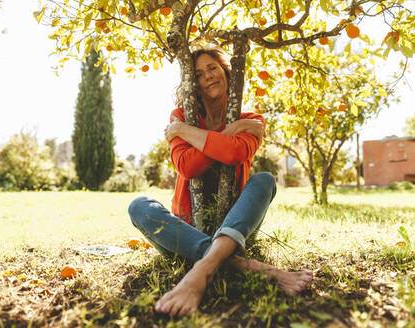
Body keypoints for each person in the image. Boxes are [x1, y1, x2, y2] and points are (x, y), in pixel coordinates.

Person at [128, 45, 313, 317]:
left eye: (212, 68)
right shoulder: (181, 118)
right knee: (139, 206)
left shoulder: (251, 120)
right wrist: (228, 132)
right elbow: (188, 166)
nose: (208, 77)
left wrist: (190, 135)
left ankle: (200, 270)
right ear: (194, 84)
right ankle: (248, 266)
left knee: (264, 180)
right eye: (200, 74)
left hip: (235, 223)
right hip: (187, 226)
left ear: (226, 71)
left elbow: (235, 153)